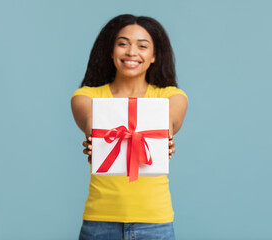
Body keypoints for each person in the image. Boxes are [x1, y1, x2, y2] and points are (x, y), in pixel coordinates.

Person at [70, 14, 188, 240]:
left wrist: (165, 135)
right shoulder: (86, 96)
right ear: (110, 51)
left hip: (155, 222)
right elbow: (91, 122)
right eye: (123, 44)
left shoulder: (172, 96)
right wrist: (97, 135)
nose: (132, 52)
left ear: (154, 56)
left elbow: (169, 121)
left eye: (142, 46)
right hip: (100, 222)